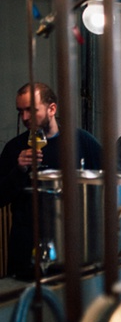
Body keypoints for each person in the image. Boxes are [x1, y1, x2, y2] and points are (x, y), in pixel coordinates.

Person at [0, 82, 102, 280]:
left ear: (52, 109)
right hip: (26, 254)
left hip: (74, 249)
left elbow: (111, 180)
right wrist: (19, 170)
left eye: (31, 110)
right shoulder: (14, 148)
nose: (25, 118)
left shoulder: (81, 141)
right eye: (20, 112)